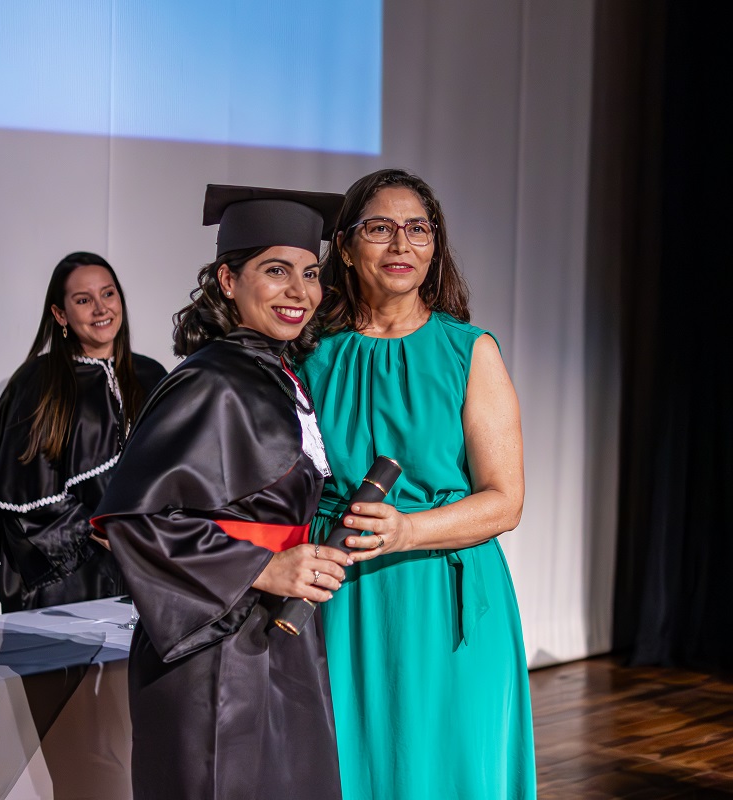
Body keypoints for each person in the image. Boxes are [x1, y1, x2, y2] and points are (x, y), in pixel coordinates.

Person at [91, 185, 349, 800]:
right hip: (215, 646)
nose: (299, 292)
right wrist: (264, 567)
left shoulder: (273, 373)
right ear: (227, 281)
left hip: (271, 633)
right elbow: (135, 520)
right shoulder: (211, 380)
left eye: (310, 274)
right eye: (276, 271)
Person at [297, 168, 536, 799]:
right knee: (353, 765)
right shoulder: (311, 353)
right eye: (380, 228)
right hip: (341, 591)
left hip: (443, 589)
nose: (402, 244)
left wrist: (408, 529)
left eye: (418, 229)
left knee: (448, 768)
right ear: (345, 247)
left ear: (436, 248)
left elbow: (504, 500)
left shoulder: (469, 350)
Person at [0, 252, 166, 611]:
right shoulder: (38, 384)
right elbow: (25, 495)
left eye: (108, 294)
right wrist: (104, 530)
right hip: (65, 578)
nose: (100, 308)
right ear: (60, 314)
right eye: (83, 300)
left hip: (145, 570)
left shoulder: (152, 376)